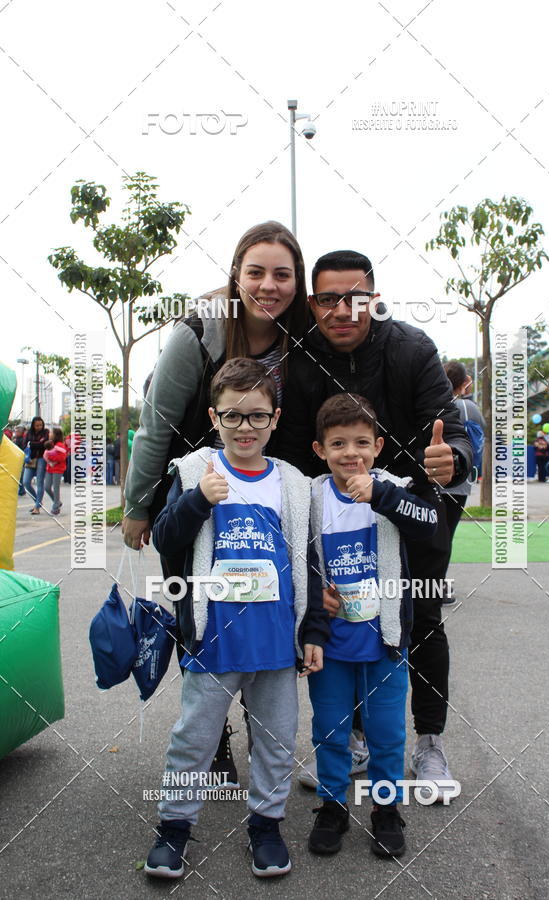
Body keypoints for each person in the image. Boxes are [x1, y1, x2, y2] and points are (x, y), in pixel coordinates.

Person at [274, 250, 472, 802]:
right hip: (337, 512)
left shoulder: (412, 348)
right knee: (343, 615)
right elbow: (293, 452)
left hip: (411, 505)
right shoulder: (300, 357)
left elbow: (452, 432)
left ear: (374, 299)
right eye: (328, 299)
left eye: (355, 298)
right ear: (312, 303)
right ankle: (356, 738)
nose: (342, 310)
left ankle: (429, 742)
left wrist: (453, 458)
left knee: (421, 616)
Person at [123, 220, 309, 781]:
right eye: (256, 272)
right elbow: (155, 425)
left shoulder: (301, 334)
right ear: (236, 275)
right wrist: (137, 505)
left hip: (264, 496)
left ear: (297, 280)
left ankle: (264, 734)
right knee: (199, 618)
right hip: (195, 494)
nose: (269, 285)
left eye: (282, 274)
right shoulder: (198, 331)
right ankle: (213, 739)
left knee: (265, 613)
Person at [144, 358, 328, 880]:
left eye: (257, 416)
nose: (245, 427)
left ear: (275, 419)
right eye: (232, 415)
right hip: (214, 644)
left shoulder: (292, 484)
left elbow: (309, 564)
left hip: (276, 645)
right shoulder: (192, 473)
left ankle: (266, 827)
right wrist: (198, 501)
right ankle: (174, 828)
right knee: (193, 740)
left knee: (277, 741)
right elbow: (165, 538)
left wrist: (313, 629)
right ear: (214, 417)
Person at [307, 394, 437, 859]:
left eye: (362, 442)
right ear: (320, 450)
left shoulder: (394, 488)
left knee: (386, 733)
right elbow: (292, 555)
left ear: (378, 446)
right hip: (330, 644)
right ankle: (332, 806)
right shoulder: (310, 497)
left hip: (385, 641)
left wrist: (382, 496)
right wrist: (313, 599)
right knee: (329, 729)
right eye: (338, 443)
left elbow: (429, 524)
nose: (351, 453)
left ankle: (386, 808)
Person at [439, 361, 485, 603]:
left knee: (430, 533)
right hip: (457, 481)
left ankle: (423, 583)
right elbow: (478, 437)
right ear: (464, 383)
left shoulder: (433, 402)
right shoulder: (467, 407)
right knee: (446, 534)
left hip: (431, 478)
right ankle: (438, 585)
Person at [23, 416, 49, 514]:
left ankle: (37, 507)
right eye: (37, 425)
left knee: (39, 483)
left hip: (41, 459)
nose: (39, 427)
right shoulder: (29, 433)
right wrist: (37, 443)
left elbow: (43, 444)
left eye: (41, 425)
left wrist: (32, 444)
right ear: (33, 425)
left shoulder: (46, 432)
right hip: (30, 459)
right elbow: (25, 445)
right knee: (26, 482)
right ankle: (37, 502)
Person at [43, 427, 67, 515]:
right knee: (47, 487)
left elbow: (62, 457)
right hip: (50, 468)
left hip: (58, 469)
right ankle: (57, 502)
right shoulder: (50, 443)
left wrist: (50, 457)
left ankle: (55, 507)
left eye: (51, 433)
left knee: (56, 488)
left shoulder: (60, 445)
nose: (49, 434)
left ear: (55, 435)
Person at [13, 425, 27, 495]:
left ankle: (22, 490)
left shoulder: (19, 439)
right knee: (20, 475)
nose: (15, 433)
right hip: (21, 458)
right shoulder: (22, 439)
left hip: (20, 459)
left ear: (20, 432)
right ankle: (21, 489)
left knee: (20, 475)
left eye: (16, 431)